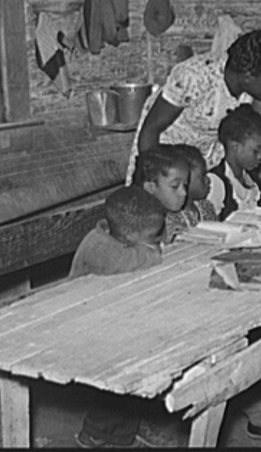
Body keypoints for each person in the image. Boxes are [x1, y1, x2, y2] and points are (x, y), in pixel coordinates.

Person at [71, 188, 181, 448]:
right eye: (154, 236)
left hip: (105, 316)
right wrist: (155, 250)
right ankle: (100, 432)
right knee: (133, 357)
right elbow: (143, 258)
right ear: (132, 235)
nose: (158, 240)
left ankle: (131, 422)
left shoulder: (117, 236)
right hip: (79, 326)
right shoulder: (101, 248)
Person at [125, 30, 261, 197]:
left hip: (204, 158)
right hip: (163, 153)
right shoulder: (195, 76)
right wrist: (153, 183)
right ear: (248, 76)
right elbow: (151, 128)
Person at [68, 186, 164, 280]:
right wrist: (152, 254)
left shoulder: (120, 234)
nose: (158, 239)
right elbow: (122, 262)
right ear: (129, 234)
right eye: (153, 236)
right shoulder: (98, 247)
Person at [207, 104, 261, 220]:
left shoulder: (254, 181)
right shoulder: (216, 182)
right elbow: (211, 228)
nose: (260, 156)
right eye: (256, 151)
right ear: (235, 147)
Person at [164, 143, 218, 242]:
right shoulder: (169, 217)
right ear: (186, 179)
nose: (208, 180)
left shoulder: (207, 207)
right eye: (202, 176)